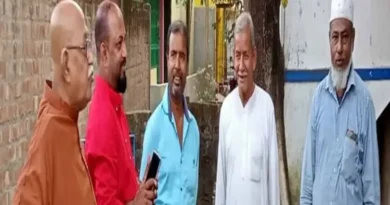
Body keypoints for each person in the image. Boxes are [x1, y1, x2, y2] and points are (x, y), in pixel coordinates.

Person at [12, 1, 96, 204]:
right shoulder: (48, 134)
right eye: (85, 47)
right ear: (66, 63)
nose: (91, 58)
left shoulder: (66, 121)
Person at [299, 0, 380, 204]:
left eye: (345, 38)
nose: (340, 48)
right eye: (335, 38)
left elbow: (371, 185)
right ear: (329, 40)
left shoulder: (364, 103)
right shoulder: (318, 98)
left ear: (353, 40)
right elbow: (308, 175)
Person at [84, 1, 157, 205]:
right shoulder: (103, 119)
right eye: (119, 44)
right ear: (104, 53)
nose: (125, 52)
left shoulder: (114, 104)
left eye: (125, 41)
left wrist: (140, 188)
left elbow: (122, 190)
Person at [214, 12, 280, 205]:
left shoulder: (266, 106)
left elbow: (273, 181)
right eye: (237, 56)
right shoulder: (226, 108)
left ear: (254, 58)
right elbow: (222, 179)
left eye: (246, 56)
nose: (241, 66)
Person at [139, 20, 200, 205]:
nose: (177, 65)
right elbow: (143, 196)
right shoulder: (155, 127)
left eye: (182, 56)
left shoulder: (194, 131)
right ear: (166, 59)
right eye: (173, 55)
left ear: (187, 63)